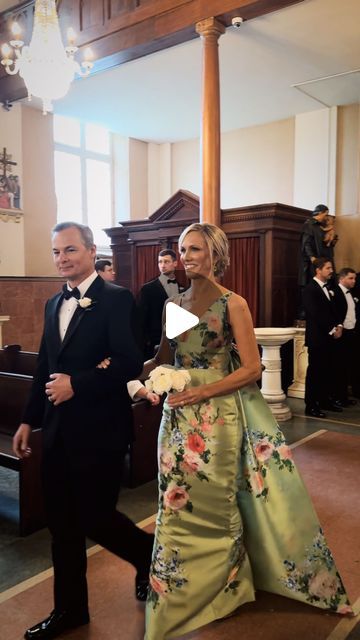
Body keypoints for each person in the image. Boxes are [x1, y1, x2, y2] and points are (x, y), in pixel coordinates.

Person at [139, 223, 351, 640]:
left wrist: (200, 391)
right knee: (175, 504)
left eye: (195, 248)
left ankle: (226, 587)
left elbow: (252, 370)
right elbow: (165, 357)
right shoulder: (174, 304)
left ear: (216, 254)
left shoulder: (232, 303)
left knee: (215, 503)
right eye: (183, 249)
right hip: (178, 422)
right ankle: (177, 591)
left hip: (216, 420)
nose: (187, 256)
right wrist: (144, 379)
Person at [13, 222, 154, 640]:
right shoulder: (52, 303)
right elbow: (44, 368)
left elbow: (129, 361)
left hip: (101, 430)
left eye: (70, 249)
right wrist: (27, 419)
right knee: (62, 525)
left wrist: (79, 383)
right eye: (56, 252)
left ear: (92, 251)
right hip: (57, 432)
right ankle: (70, 610)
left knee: (95, 516)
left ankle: (147, 553)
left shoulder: (116, 299)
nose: (62, 259)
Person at [302, 257, 343, 418]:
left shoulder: (329, 287)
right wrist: (332, 329)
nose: (331, 271)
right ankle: (311, 405)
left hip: (329, 338)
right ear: (318, 270)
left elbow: (334, 310)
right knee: (315, 373)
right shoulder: (310, 289)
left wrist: (339, 324)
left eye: (331, 268)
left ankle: (324, 401)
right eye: (328, 268)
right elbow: (316, 313)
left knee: (327, 371)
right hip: (317, 339)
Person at [138, 249, 185, 359]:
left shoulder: (183, 288)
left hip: (179, 341)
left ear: (175, 263)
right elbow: (141, 319)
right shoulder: (147, 289)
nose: (162, 265)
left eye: (166, 262)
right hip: (155, 341)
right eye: (160, 262)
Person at [333, 267, 359, 406]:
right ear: (341, 278)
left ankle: (344, 397)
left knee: (347, 366)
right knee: (339, 367)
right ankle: (337, 397)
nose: (353, 281)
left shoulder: (352, 293)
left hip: (351, 333)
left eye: (354, 278)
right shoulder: (335, 293)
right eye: (350, 278)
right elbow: (334, 313)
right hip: (340, 334)